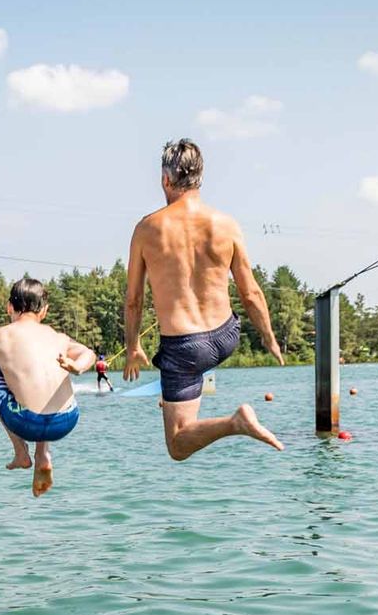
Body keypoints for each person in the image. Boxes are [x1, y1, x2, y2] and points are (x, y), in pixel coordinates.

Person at [123, 138, 287, 458]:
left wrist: (133, 346)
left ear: (165, 180)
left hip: (185, 347)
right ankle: (206, 410)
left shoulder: (147, 229)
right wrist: (269, 338)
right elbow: (250, 291)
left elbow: (133, 300)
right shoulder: (226, 224)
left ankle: (235, 423)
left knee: (178, 445)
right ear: (200, 178)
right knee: (185, 408)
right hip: (226, 335)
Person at [0, 277, 94, 497]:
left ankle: (21, 451)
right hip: (68, 420)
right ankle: (43, 454)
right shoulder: (57, 336)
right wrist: (76, 366)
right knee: (41, 377)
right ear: (44, 311)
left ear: (10, 307)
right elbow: (89, 354)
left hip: (27, 423)